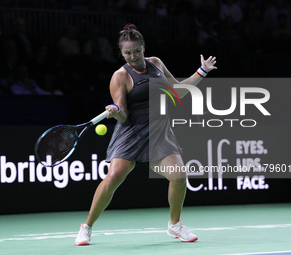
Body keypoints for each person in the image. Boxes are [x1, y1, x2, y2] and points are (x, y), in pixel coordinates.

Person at [75, 24, 217, 246]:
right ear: (122, 53)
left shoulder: (156, 63)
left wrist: (202, 71)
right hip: (130, 133)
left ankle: (175, 225)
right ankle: (87, 227)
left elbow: (178, 91)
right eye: (128, 53)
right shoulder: (120, 76)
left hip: (159, 132)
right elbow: (124, 116)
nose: (133, 56)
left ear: (143, 48)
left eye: (136, 51)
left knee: (179, 176)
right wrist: (115, 111)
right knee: (113, 177)